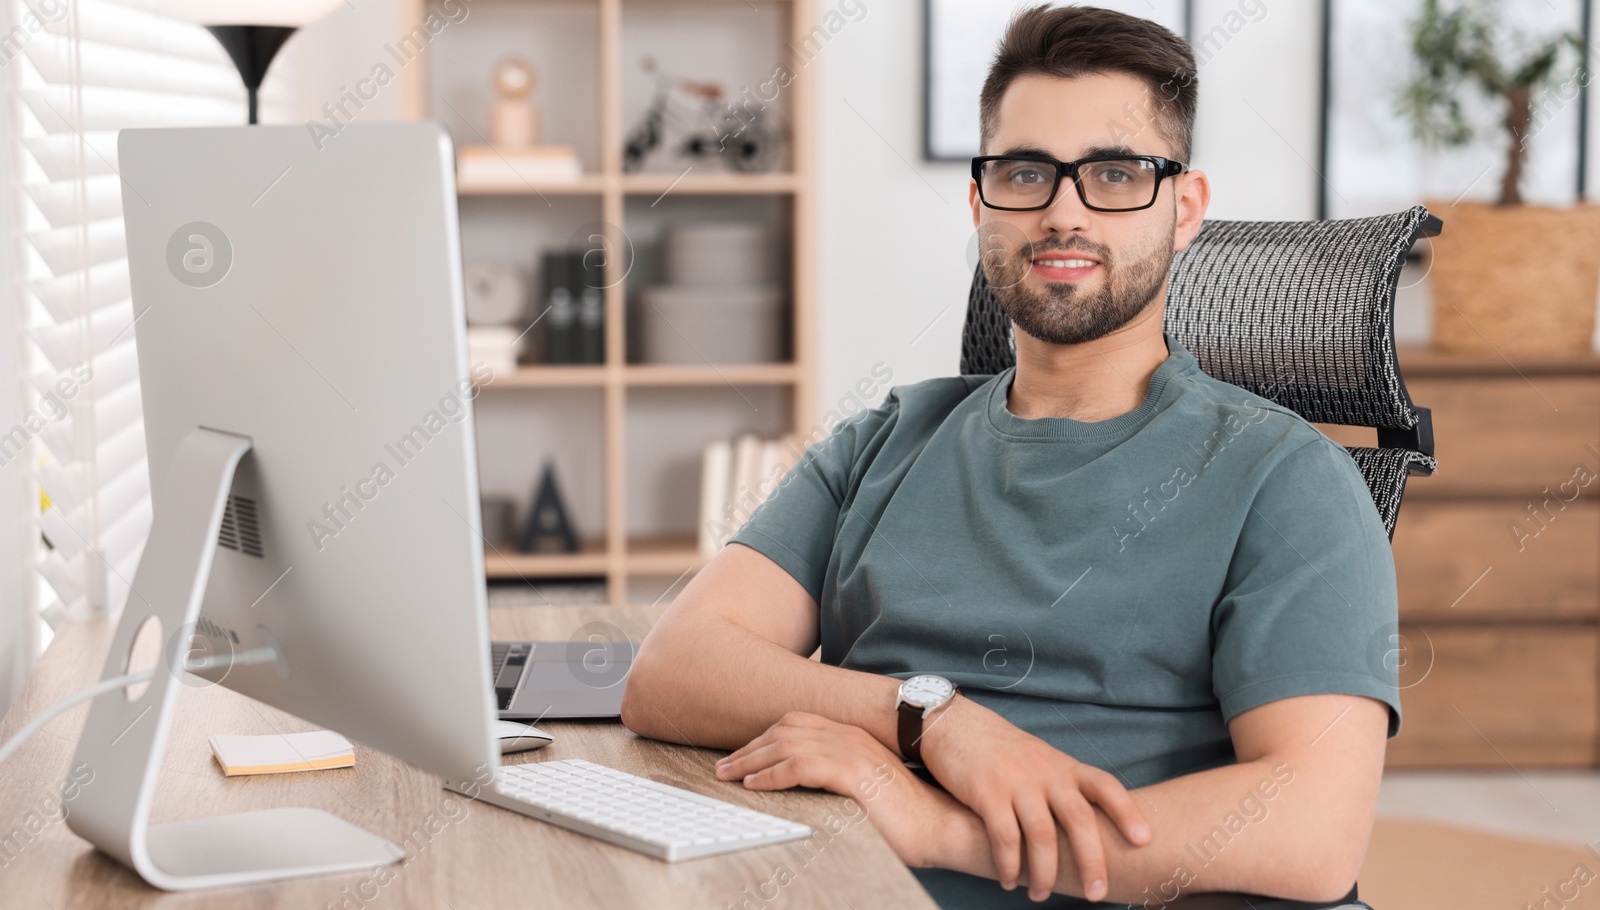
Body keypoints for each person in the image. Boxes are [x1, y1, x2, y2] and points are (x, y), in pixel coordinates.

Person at [620, 5, 1400, 907]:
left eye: (1115, 173)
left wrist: (938, 827)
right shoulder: (888, 437)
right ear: (981, 200)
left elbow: (1311, 831)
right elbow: (670, 673)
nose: (1064, 213)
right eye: (1027, 172)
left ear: (1184, 211)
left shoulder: (1287, 478)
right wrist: (930, 720)